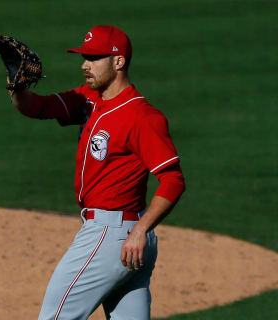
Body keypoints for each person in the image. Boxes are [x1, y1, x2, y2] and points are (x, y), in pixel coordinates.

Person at [11, 25, 185, 320]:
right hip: (126, 239)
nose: (84, 65)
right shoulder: (88, 100)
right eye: (84, 57)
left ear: (119, 62)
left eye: (93, 58)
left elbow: (173, 179)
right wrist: (17, 86)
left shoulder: (141, 117)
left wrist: (141, 230)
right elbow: (38, 107)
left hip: (110, 236)